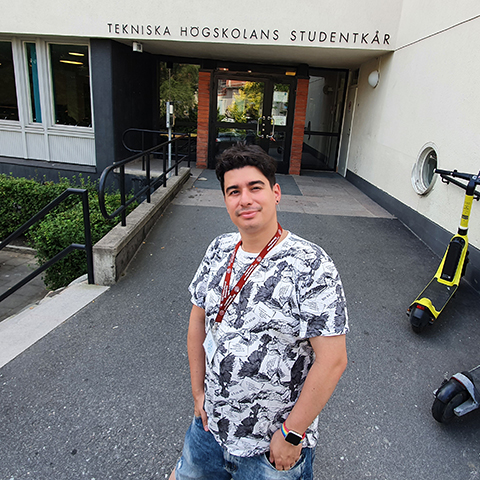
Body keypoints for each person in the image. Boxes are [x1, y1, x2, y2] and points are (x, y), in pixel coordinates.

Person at [169, 143, 348, 479]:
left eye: (255, 187)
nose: (245, 199)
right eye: (233, 191)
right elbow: (198, 321)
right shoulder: (219, 249)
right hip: (209, 428)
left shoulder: (311, 264)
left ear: (276, 193)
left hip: (269, 448)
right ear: (225, 200)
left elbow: (333, 359)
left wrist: (292, 434)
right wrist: (198, 395)